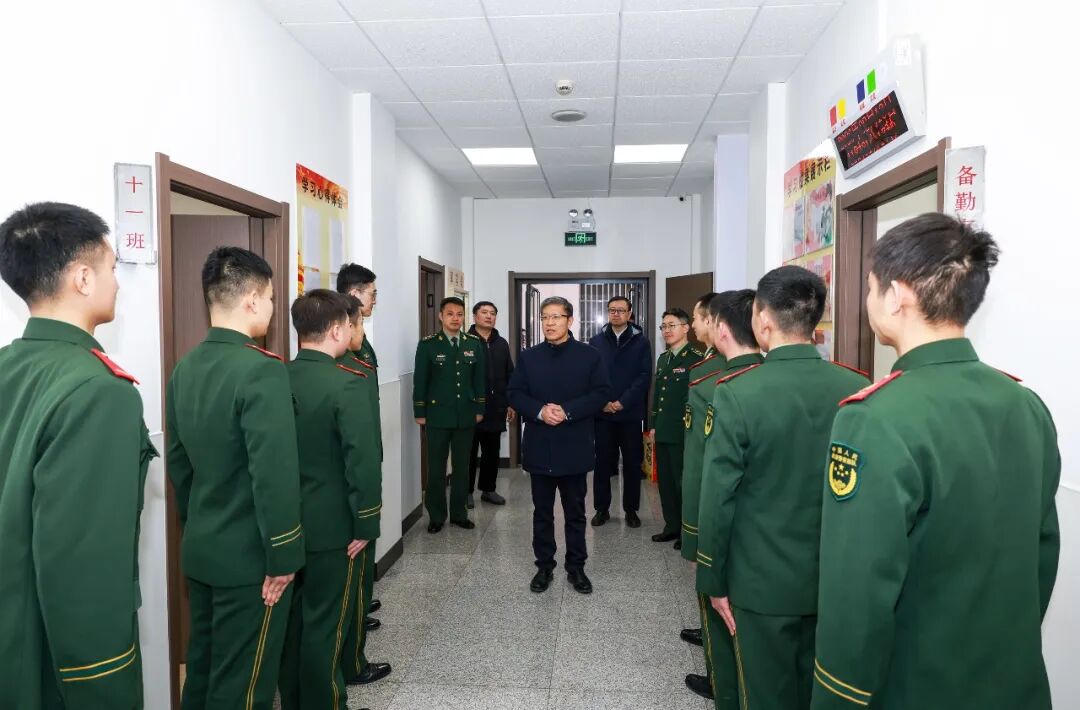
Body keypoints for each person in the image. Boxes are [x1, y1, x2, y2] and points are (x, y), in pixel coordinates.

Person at [812, 215, 1060, 709]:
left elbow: (857, 590)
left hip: (915, 686)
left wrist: (837, 698)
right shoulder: (1026, 404)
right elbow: (1042, 550)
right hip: (1012, 682)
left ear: (896, 296)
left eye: (869, 287)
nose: (867, 300)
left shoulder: (874, 418)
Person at [0, 202, 156, 709]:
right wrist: (104, 682)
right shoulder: (100, 391)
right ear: (83, 278)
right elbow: (84, 565)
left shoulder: (8, 365)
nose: (118, 283)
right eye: (111, 268)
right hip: (55, 660)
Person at [696, 266, 868, 710]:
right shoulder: (858, 386)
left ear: (762, 320)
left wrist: (712, 578)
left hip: (760, 581)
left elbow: (718, 497)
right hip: (833, 580)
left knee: (765, 694)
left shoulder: (738, 392)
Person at [166, 247, 304, 709]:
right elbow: (273, 475)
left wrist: (202, 523)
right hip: (252, 561)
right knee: (245, 686)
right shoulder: (262, 370)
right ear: (252, 299)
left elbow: (180, 465)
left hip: (204, 549)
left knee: (203, 672)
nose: (272, 307)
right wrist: (284, 556)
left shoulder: (185, 367)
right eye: (271, 297)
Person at [278, 290, 388, 710]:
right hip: (335, 528)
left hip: (285, 525)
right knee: (326, 625)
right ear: (339, 330)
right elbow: (362, 463)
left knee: (291, 624)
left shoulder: (276, 378)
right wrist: (366, 523)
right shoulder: (347, 384)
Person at [686, 290, 764, 707]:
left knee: (721, 610)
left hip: (726, 527)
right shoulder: (846, 383)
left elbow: (704, 475)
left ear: (720, 328)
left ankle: (724, 687)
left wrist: (693, 536)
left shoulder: (713, 387)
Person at [508, 296, 610, 595]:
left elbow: (601, 392)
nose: (549, 323)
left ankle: (576, 567)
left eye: (556, 317)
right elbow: (514, 393)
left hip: (574, 445)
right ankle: (544, 566)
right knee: (542, 512)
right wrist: (540, 411)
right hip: (540, 444)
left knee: (575, 512)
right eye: (544, 317)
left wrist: (567, 411)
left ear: (570, 320)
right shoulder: (529, 357)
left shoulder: (590, 356)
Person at [678, 291, 726, 696]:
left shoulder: (714, 377)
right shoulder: (707, 365)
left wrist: (690, 527)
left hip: (715, 500)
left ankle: (720, 673)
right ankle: (707, 630)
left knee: (718, 573)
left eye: (695, 318)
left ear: (713, 322)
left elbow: (702, 462)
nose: (693, 326)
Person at [335, 265, 383, 661]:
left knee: (364, 543)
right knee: (357, 539)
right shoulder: (345, 346)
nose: (374, 300)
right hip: (350, 466)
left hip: (366, 453)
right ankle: (354, 610)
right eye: (372, 293)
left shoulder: (361, 341)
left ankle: (362, 602)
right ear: (355, 294)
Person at [413, 296, 486, 533]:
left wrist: (479, 408)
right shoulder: (428, 345)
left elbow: (479, 379)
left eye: (459, 314)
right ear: (440, 316)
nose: (455, 318)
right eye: (450, 314)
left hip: (466, 415)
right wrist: (420, 410)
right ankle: (436, 515)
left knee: (462, 467)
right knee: (436, 468)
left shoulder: (473, 343)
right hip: (437, 416)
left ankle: (459, 514)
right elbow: (420, 380)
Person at [589, 295, 653, 528]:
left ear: (629, 314)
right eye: (612, 310)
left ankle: (631, 510)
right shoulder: (596, 341)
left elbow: (644, 376)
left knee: (632, 464)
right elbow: (591, 375)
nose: (615, 314)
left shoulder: (641, 342)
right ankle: (602, 509)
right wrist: (603, 402)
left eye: (620, 310)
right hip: (603, 414)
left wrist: (622, 402)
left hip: (630, 414)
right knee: (602, 464)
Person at [650, 307, 702, 544]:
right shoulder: (664, 358)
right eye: (664, 327)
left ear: (686, 327)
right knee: (666, 483)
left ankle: (686, 530)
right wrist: (653, 425)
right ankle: (671, 526)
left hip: (683, 432)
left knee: (683, 483)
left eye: (672, 325)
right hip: (663, 430)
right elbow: (657, 395)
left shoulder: (696, 358)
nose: (666, 331)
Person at [467, 300, 514, 507]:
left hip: (496, 407)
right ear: (475, 316)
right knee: (468, 453)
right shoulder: (465, 342)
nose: (489, 316)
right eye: (484, 312)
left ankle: (488, 489)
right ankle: (466, 491)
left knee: (492, 452)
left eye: (492, 313)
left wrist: (511, 403)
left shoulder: (501, 343)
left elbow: (510, 374)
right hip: (471, 408)